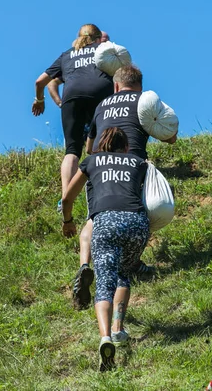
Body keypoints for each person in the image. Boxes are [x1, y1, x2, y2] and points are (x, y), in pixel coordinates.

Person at [71, 65, 177, 310]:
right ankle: (132, 262)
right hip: (134, 166)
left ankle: (85, 265)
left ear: (116, 85)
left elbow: (89, 148)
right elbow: (169, 135)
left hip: (99, 168)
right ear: (139, 84)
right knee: (135, 213)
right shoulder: (144, 102)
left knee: (94, 218)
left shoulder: (102, 104)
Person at [62, 127, 150, 371]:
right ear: (125, 148)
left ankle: (105, 338)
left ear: (101, 144)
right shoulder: (139, 162)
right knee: (124, 271)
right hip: (138, 224)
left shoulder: (92, 161)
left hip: (107, 223)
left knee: (105, 284)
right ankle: (118, 330)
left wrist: (68, 221)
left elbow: (68, 198)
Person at [32, 24, 114, 209]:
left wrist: (39, 100)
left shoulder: (66, 55)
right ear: (98, 38)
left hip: (72, 98)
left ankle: (65, 198)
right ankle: (106, 188)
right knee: (105, 142)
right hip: (99, 94)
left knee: (72, 151)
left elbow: (40, 81)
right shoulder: (104, 49)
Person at [47, 31, 111, 108]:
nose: (107, 44)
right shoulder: (73, 60)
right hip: (87, 103)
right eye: (104, 41)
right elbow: (52, 82)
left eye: (108, 41)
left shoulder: (110, 58)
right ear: (95, 40)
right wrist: (60, 103)